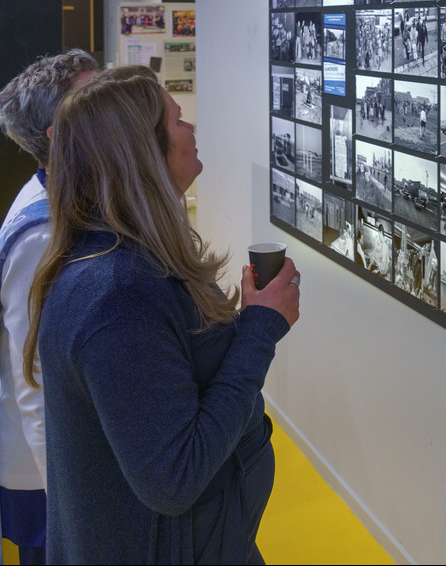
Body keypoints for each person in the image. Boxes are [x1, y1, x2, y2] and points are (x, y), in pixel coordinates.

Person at [25, 66, 300, 563]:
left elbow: (167, 372)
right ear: (142, 153)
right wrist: (259, 331)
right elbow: (174, 477)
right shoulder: (118, 296)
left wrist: (249, 320)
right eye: (178, 121)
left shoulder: (124, 262)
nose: (191, 129)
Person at [0, 50, 98, 565]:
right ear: (60, 134)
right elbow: (33, 382)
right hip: (44, 470)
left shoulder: (58, 201)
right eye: (97, 101)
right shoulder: (42, 233)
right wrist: (73, 502)